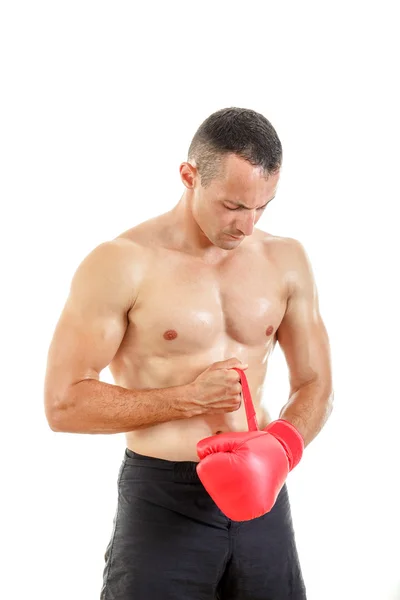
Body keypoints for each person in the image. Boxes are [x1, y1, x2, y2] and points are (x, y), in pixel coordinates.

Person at [44, 107, 334, 599]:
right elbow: (63, 404)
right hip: (164, 499)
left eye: (263, 206)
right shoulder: (121, 263)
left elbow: (317, 385)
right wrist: (189, 399)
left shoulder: (286, 259)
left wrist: (280, 450)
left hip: (264, 492)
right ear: (189, 176)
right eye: (233, 206)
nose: (247, 225)